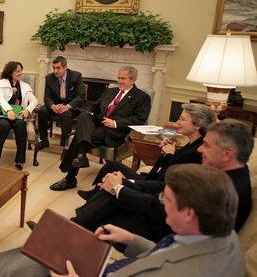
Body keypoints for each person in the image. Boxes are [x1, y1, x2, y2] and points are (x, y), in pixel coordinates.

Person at [0, 164, 246, 277]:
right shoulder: (221, 236)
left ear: (190, 213)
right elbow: (164, 255)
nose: (161, 203)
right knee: (52, 246)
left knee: (51, 256)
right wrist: (130, 241)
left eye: (167, 200)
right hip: (124, 260)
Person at [73, 118, 253, 245]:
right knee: (112, 187)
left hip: (164, 230)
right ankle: (75, 224)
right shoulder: (221, 172)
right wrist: (126, 183)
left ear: (228, 153)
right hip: (161, 215)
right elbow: (166, 185)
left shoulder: (226, 188)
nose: (200, 150)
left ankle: (74, 226)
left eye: (206, 145)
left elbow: (159, 208)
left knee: (108, 204)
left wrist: (120, 188)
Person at [77, 103, 216, 201]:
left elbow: (170, 176)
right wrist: (167, 153)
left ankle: (98, 197)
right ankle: (95, 193)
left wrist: (168, 155)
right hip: (153, 179)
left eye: (182, 119)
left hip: (154, 187)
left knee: (112, 171)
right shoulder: (193, 143)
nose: (178, 122)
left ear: (197, 125)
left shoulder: (198, 151)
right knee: (111, 166)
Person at [50, 66, 151, 191]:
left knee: (79, 137)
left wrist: (115, 123)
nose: (119, 81)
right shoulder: (110, 91)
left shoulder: (142, 97)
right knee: (83, 116)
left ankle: (71, 177)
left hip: (114, 131)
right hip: (98, 123)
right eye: (119, 78)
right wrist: (86, 112)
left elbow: (139, 119)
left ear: (133, 80)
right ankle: (80, 157)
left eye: (123, 78)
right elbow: (95, 106)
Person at [0, 61, 38, 170]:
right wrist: (9, 110)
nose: (20, 73)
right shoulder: (2, 83)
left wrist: (27, 109)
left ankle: (20, 160)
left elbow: (34, 101)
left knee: (20, 125)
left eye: (21, 71)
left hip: (17, 115)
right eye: (17, 71)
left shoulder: (25, 86)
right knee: (4, 125)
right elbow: (0, 99)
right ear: (10, 72)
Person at [38, 56, 86, 147]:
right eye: (54, 68)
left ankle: (65, 145)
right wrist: (53, 106)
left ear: (65, 67)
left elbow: (81, 96)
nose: (55, 71)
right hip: (56, 106)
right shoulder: (49, 78)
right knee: (42, 110)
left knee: (65, 114)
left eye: (58, 68)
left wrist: (67, 106)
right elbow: (47, 98)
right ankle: (44, 140)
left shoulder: (76, 76)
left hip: (71, 107)